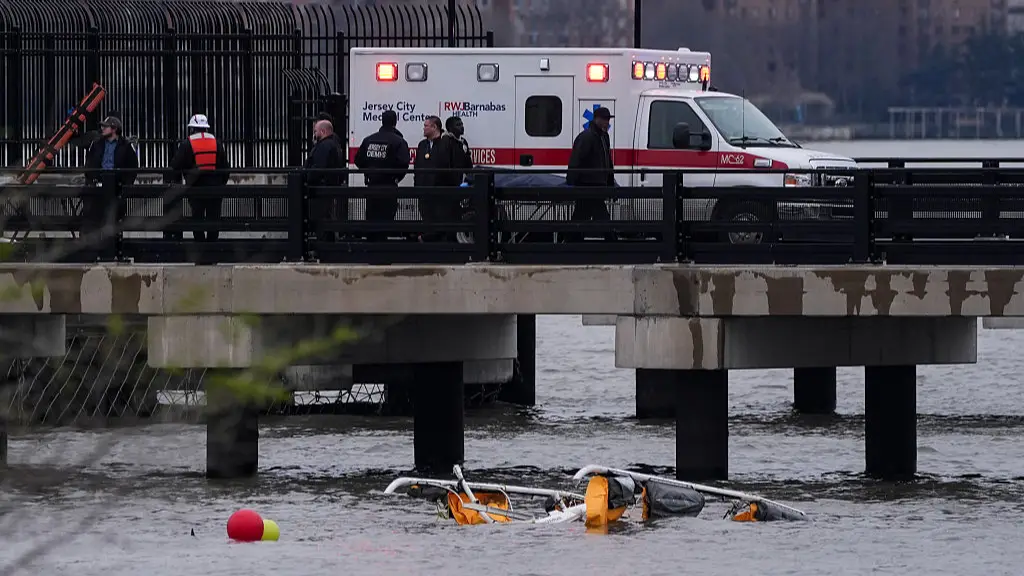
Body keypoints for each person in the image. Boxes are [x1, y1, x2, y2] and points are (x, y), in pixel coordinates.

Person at [169, 113, 230, 241]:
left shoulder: (187, 143)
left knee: (197, 219)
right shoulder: (216, 142)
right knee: (213, 219)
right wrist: (220, 184)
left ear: (192, 128)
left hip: (195, 189)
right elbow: (225, 168)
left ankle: (200, 246)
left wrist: (180, 181)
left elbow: (175, 166)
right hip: (215, 189)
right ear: (206, 128)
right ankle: (212, 246)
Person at [354, 109, 410, 241]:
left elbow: (358, 160)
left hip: (372, 186)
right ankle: (382, 248)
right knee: (386, 220)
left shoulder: (369, 139)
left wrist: (369, 172)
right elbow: (404, 164)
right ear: (395, 122)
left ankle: (371, 246)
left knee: (372, 218)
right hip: (389, 186)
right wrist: (395, 178)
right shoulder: (399, 141)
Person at [566, 106, 615, 242]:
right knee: (600, 215)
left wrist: (610, 182)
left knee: (581, 215)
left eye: (608, 119)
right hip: (588, 184)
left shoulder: (603, 137)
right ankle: (612, 243)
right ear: (596, 119)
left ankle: (571, 242)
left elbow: (608, 161)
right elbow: (576, 160)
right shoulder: (587, 137)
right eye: (605, 119)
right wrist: (571, 183)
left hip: (596, 184)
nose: (607, 122)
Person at [83, 116, 138, 234]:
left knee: (113, 219)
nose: (102, 129)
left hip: (116, 187)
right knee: (93, 219)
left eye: (105, 126)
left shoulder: (126, 146)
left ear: (114, 128)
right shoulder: (97, 144)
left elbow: (132, 168)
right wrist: (92, 180)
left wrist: (125, 186)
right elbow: (89, 164)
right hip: (98, 186)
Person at [413, 116, 460, 242]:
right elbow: (417, 166)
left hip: (441, 192)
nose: (424, 128)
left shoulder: (447, 144)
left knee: (441, 223)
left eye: (426, 126)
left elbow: (452, 167)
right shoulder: (422, 145)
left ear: (434, 127)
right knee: (427, 221)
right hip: (424, 191)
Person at [305, 119, 346, 241]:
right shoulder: (334, 144)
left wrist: (307, 178)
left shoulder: (324, 146)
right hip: (329, 188)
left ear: (322, 131)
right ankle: (328, 244)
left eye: (315, 131)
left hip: (321, 190)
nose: (314, 134)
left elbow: (318, 168)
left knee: (321, 220)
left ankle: (324, 245)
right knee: (327, 218)